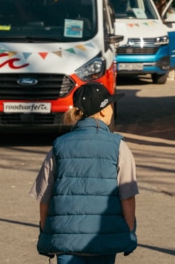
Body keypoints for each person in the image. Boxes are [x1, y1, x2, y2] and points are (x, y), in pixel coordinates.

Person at [30, 82, 137, 263]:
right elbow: (127, 195)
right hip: (104, 237)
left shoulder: (59, 146)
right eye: (110, 105)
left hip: (65, 240)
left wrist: (48, 231)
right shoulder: (118, 146)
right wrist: (128, 231)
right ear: (103, 110)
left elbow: (44, 196)